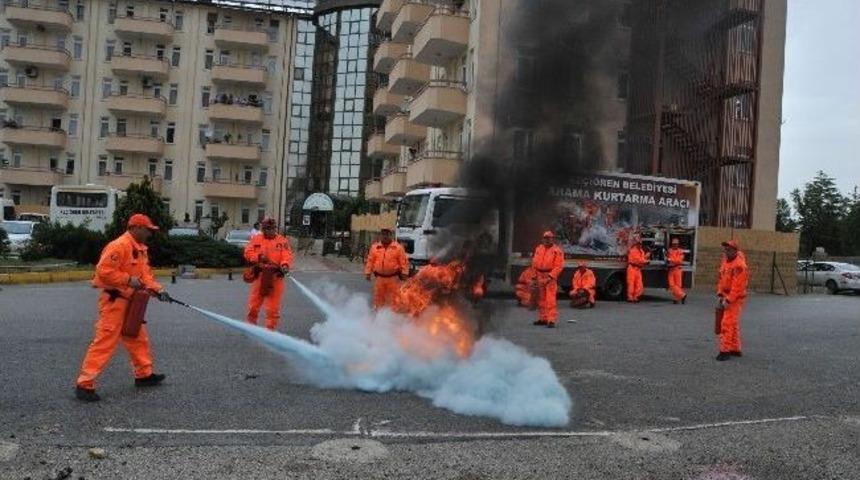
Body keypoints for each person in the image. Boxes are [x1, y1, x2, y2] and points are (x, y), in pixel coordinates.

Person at [74, 214, 171, 402]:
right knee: (104, 342)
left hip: (132, 302)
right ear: (136, 228)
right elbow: (103, 271)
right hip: (114, 302)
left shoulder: (140, 250)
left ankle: (144, 375)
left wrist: (158, 290)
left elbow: (145, 277)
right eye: (147, 230)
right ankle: (84, 384)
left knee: (137, 338)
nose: (150, 234)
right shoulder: (119, 245)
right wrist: (127, 280)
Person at [244, 217, 294, 330]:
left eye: (272, 229)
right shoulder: (256, 239)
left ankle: (270, 331)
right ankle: (251, 327)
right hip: (260, 276)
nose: (270, 231)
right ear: (263, 229)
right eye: (267, 229)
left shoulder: (282, 241)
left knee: (272, 309)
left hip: (276, 277)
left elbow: (287, 255)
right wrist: (258, 257)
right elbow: (247, 253)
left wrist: (285, 264)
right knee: (253, 306)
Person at [715, 239, 748, 361]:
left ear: (735, 251)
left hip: (735, 298)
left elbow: (738, 287)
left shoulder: (740, 266)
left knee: (726, 323)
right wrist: (720, 294)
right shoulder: (725, 262)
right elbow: (721, 279)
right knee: (732, 323)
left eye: (728, 249)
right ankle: (735, 348)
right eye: (725, 249)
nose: (726, 251)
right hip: (726, 296)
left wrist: (728, 300)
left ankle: (724, 351)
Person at [364, 228, 409, 310]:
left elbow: (404, 262)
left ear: (390, 235)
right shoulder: (375, 247)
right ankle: (378, 315)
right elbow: (370, 260)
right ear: (380, 235)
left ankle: (392, 316)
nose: (385, 236)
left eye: (387, 234)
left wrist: (405, 273)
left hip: (393, 278)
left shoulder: (398, 248)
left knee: (394, 298)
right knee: (378, 297)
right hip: (379, 278)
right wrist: (368, 272)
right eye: (383, 234)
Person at [531, 231, 564, 328]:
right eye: (545, 238)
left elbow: (559, 266)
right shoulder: (538, 248)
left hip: (550, 277)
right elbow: (534, 264)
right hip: (539, 275)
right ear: (542, 239)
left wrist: (550, 276)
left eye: (549, 238)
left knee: (550, 299)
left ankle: (551, 320)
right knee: (541, 299)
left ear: (552, 239)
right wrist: (534, 277)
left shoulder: (557, 251)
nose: (547, 240)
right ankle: (543, 318)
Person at [626, 238, 649, 302]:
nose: (640, 245)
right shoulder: (633, 250)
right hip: (632, 268)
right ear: (636, 244)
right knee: (631, 283)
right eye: (638, 244)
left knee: (639, 284)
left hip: (638, 269)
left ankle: (635, 296)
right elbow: (638, 259)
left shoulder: (641, 251)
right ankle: (630, 297)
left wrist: (646, 256)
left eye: (640, 244)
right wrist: (646, 261)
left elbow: (642, 258)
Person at [666, 238, 687, 304]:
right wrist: (669, 260)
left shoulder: (680, 251)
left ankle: (677, 298)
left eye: (676, 244)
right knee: (672, 285)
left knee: (678, 285)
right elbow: (667, 258)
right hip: (671, 269)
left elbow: (679, 260)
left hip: (677, 269)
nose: (674, 245)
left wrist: (670, 260)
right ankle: (682, 295)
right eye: (673, 244)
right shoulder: (669, 251)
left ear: (678, 244)